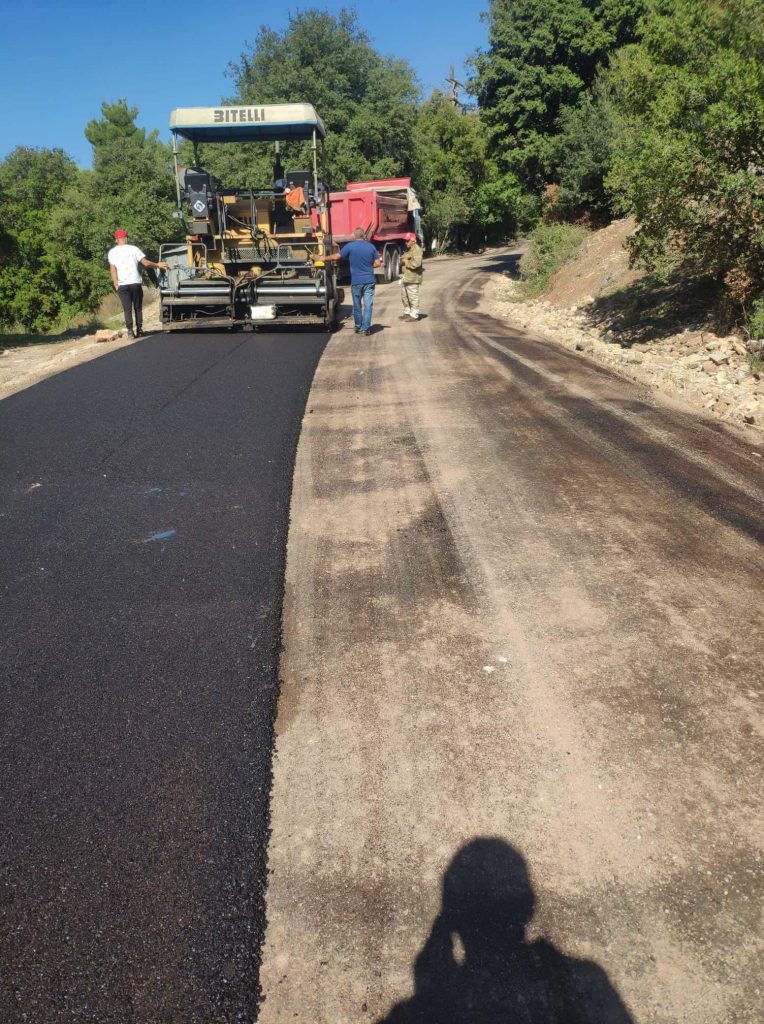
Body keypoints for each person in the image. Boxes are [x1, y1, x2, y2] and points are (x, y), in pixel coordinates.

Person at [108, 229, 168, 338]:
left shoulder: (112, 252)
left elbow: (112, 269)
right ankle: (140, 330)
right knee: (138, 307)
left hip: (122, 284)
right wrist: (158, 265)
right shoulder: (134, 249)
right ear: (126, 238)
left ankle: (130, 331)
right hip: (135, 282)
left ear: (116, 240)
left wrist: (116, 283)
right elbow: (145, 263)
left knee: (127, 309)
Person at [324, 228, 382, 335]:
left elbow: (337, 257)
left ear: (354, 236)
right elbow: (378, 264)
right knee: (368, 305)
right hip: (369, 281)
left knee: (357, 305)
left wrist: (323, 258)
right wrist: (369, 266)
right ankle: (366, 328)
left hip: (356, 282)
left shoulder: (350, 246)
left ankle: (358, 327)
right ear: (364, 236)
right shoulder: (371, 246)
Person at [399, 232, 424, 322]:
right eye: (405, 241)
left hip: (413, 278)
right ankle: (407, 312)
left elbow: (417, 263)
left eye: (407, 240)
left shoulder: (417, 250)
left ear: (413, 241)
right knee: (405, 296)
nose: (406, 242)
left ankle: (414, 315)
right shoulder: (409, 249)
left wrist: (405, 262)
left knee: (413, 297)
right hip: (406, 277)